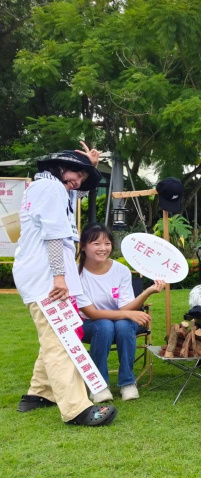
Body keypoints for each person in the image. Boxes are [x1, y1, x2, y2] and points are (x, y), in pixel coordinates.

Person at [14, 144, 117, 426]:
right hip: (47, 277)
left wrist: (91, 166)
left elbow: (74, 200)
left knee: (58, 333)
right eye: (77, 173)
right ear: (59, 167)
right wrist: (60, 277)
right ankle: (75, 409)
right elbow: (54, 236)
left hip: (42, 274)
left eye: (83, 177)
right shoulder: (51, 189)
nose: (79, 181)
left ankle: (38, 393)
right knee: (59, 341)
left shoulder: (49, 187)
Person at [75, 224, 166, 402]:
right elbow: (92, 313)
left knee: (124, 326)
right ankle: (98, 385)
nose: (103, 248)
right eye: (96, 243)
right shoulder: (75, 273)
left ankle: (127, 382)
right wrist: (128, 314)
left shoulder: (120, 270)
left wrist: (147, 292)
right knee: (105, 325)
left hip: (120, 322)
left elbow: (126, 307)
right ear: (84, 246)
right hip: (87, 324)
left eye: (107, 243)